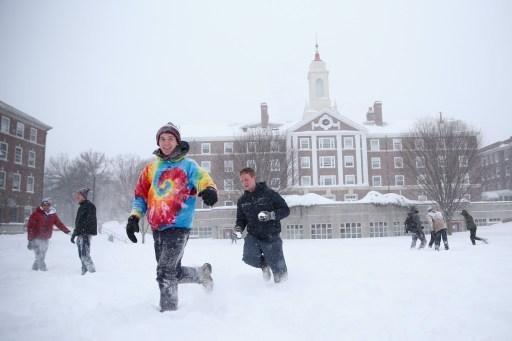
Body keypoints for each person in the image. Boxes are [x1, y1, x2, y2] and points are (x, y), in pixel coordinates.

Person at [125, 122, 218, 312]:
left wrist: (209, 189)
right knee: (172, 271)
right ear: (158, 142)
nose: (166, 143)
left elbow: (203, 179)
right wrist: (134, 218)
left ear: (177, 141)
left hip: (179, 226)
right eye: (162, 139)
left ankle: (168, 312)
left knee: (164, 271)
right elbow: (141, 196)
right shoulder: (151, 168)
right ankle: (201, 275)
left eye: (170, 139)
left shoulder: (188, 165)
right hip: (157, 228)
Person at [234, 167, 290, 283]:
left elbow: (285, 210)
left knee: (281, 276)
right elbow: (241, 219)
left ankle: (282, 294)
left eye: (246, 179)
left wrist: (271, 215)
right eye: (242, 181)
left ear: (254, 178)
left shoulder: (269, 194)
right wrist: (238, 228)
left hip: (271, 236)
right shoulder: (242, 201)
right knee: (249, 257)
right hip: (253, 235)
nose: (244, 183)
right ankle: (264, 265)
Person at [27, 198, 71, 271]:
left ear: (50, 206)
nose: (46, 207)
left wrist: (67, 232)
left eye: (47, 205)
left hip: (46, 238)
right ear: (42, 205)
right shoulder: (36, 214)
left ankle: (35, 268)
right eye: (44, 205)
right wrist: (30, 239)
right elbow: (30, 227)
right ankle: (43, 268)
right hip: (36, 238)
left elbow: (59, 224)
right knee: (39, 254)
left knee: (42, 254)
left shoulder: (52, 215)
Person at [70, 187, 97, 275]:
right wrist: (75, 233)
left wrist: (84, 232)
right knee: (80, 255)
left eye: (79, 195)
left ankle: (92, 272)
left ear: (84, 196)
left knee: (85, 254)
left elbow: (90, 221)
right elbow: (79, 223)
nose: (77, 197)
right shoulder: (81, 207)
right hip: (80, 234)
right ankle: (84, 270)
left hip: (85, 234)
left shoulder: (90, 206)